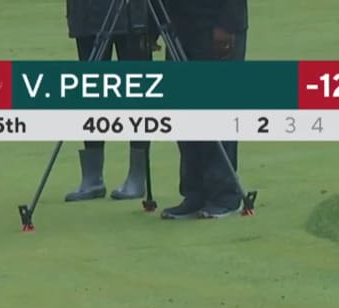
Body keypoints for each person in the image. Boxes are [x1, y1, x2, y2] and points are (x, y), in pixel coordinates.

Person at [161, 0, 249, 218]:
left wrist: (227, 25)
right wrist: (151, 28)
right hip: (178, 26)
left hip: (215, 26)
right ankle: (195, 193)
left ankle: (225, 195)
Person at [64, 0, 157, 202]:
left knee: (137, 94)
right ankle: (92, 176)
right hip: (87, 15)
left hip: (132, 14)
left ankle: (137, 173)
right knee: (92, 93)